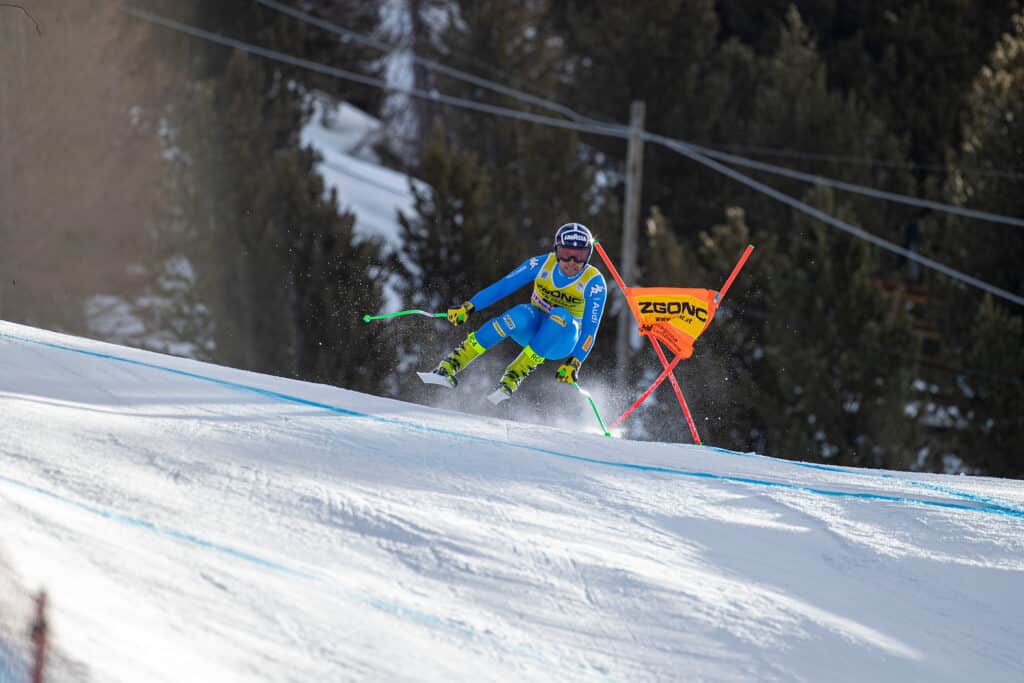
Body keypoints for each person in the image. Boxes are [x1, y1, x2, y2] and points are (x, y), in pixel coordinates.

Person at [421, 222, 608, 403]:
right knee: (519, 314)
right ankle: (450, 365)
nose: (572, 263)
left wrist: (575, 362)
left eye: (579, 256)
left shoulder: (594, 283)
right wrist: (469, 306)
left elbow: (590, 331)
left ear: (588, 255)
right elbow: (503, 286)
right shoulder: (541, 264)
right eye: (566, 254)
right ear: (556, 250)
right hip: (533, 327)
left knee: (561, 315)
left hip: (561, 340)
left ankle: (514, 375)